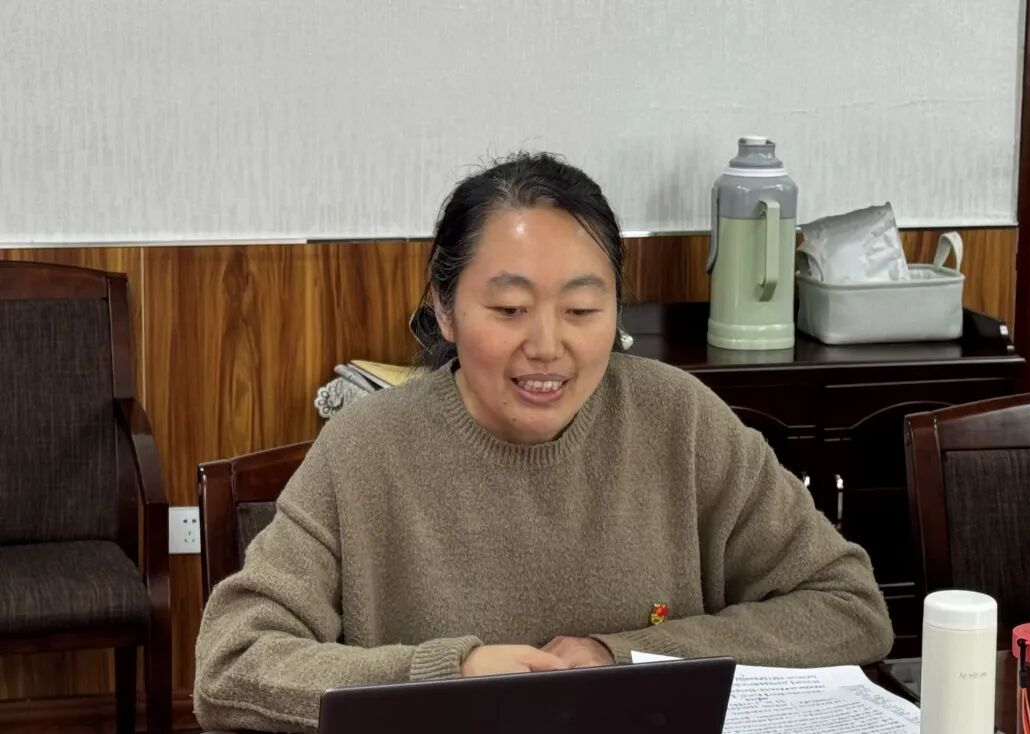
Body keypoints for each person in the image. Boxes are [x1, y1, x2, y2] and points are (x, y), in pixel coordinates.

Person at [194, 152, 893, 733]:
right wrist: (448, 677)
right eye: (510, 309)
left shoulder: (678, 421)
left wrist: (623, 659)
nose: (547, 346)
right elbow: (233, 662)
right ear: (444, 310)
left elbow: (846, 606)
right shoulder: (366, 450)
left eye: (582, 309)